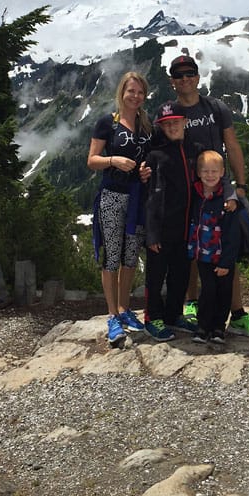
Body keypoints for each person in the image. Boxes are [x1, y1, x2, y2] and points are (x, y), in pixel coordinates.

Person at [169, 54, 249, 339]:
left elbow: (232, 145)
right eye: (179, 75)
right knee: (192, 249)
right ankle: (192, 304)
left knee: (228, 250)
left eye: (190, 74)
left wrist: (240, 186)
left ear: (198, 78)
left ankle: (236, 313)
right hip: (188, 191)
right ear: (172, 81)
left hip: (219, 189)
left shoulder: (216, 107)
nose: (185, 79)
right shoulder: (170, 112)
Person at [87, 71, 151, 347]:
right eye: (131, 91)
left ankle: (125, 310)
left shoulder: (146, 124)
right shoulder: (108, 123)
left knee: (129, 256)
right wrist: (113, 160)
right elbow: (92, 160)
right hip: (112, 195)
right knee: (111, 256)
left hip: (138, 196)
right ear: (121, 93)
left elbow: (150, 157)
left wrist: (147, 170)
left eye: (140, 92)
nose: (135, 96)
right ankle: (112, 314)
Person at [142, 101, 200, 342]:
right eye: (167, 124)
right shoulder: (156, 155)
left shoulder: (196, 150)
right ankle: (152, 318)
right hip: (162, 227)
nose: (172, 126)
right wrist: (152, 233)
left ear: (185, 122)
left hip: (187, 227)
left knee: (181, 274)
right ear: (161, 127)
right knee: (156, 275)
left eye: (176, 121)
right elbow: (152, 197)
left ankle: (173, 314)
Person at [189, 150, 241, 343]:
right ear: (199, 172)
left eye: (214, 171)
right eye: (205, 171)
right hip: (203, 255)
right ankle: (203, 326)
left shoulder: (228, 201)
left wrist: (227, 261)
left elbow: (233, 234)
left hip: (223, 257)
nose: (209, 175)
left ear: (222, 173)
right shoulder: (196, 194)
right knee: (208, 290)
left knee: (224, 292)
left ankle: (219, 327)